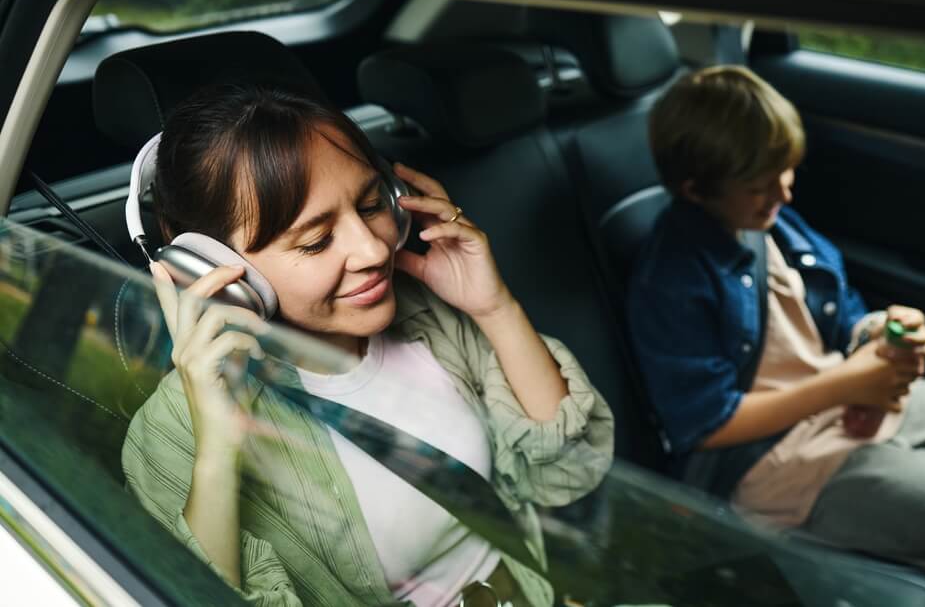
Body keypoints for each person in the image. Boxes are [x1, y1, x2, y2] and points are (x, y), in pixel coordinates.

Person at [122, 83, 614, 607]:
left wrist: (495, 309)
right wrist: (217, 447)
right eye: (315, 240)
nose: (373, 247)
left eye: (372, 203)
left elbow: (566, 473)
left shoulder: (427, 315)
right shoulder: (175, 430)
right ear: (208, 265)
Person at [628, 65, 925, 601]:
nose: (784, 191)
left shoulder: (775, 225)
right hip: (782, 467)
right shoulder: (673, 278)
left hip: (844, 401)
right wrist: (848, 386)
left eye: (786, 172)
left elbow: (840, 315)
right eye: (759, 186)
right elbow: (702, 425)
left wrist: (883, 335)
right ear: (695, 190)